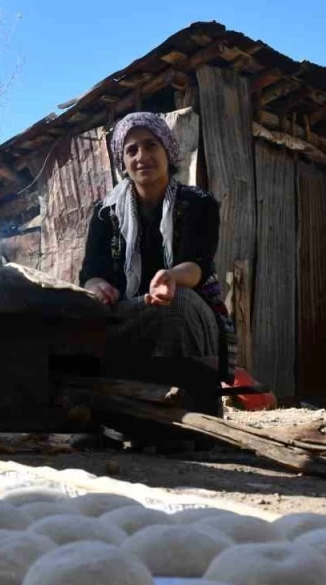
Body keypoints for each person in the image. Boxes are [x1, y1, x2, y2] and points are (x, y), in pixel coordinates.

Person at [78, 112, 237, 415]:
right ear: (123, 161)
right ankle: (111, 412)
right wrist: (97, 287)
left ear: (168, 150)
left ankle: (192, 411)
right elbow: (91, 273)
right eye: (132, 150)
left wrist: (171, 277)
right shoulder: (104, 213)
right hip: (130, 312)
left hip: (187, 311)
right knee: (75, 319)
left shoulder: (198, 203)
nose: (142, 156)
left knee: (177, 304)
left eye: (151, 145)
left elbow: (197, 265)